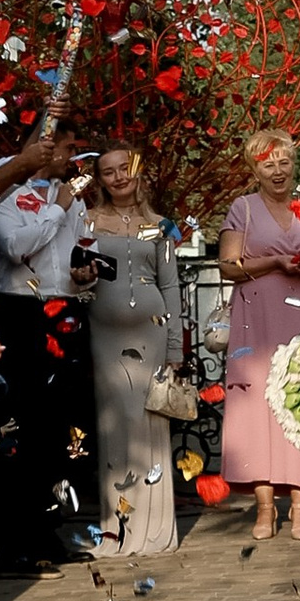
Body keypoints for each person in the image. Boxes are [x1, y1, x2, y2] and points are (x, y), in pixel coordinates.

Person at [219, 128, 300, 543]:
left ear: (293, 164)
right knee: (258, 414)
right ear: (254, 169)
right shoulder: (244, 208)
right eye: (267, 163)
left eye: (283, 162)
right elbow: (228, 267)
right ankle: (266, 509)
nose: (277, 170)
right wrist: (274, 261)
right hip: (257, 321)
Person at [0, 145, 96, 566]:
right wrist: (58, 209)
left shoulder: (72, 195)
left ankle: (48, 535)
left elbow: (81, 247)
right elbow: (16, 247)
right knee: (20, 427)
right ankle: (14, 542)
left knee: (58, 427)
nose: (67, 157)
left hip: (63, 309)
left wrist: (86, 271)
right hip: (19, 313)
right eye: (60, 147)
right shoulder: (1, 195)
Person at [80, 140, 189, 557]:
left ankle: (156, 528)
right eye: (108, 171)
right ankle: (117, 526)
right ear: (101, 181)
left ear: (138, 170)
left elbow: (171, 285)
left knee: (148, 420)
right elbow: (75, 279)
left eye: (124, 167)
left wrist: (176, 346)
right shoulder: (86, 222)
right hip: (103, 334)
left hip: (152, 332)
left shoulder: (161, 225)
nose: (119, 176)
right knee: (114, 423)